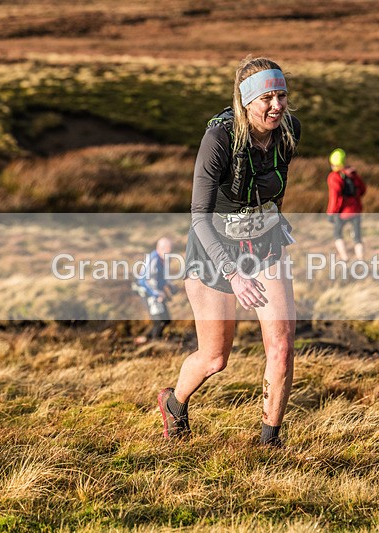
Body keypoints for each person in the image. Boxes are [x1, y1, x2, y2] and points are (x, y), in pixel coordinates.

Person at [157, 57, 300, 447]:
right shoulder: (219, 140)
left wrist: (268, 223)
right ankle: (174, 402)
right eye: (267, 98)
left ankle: (269, 443)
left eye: (282, 96)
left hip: (264, 245)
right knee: (215, 358)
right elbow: (199, 217)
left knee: (282, 346)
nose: (277, 106)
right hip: (213, 249)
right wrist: (233, 273)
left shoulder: (289, 131)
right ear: (246, 101)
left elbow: (275, 186)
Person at [132, 237, 178, 343]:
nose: (170, 254)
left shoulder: (163, 259)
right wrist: (157, 295)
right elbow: (144, 281)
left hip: (157, 293)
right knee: (159, 321)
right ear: (160, 249)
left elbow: (163, 277)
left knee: (166, 320)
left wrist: (171, 287)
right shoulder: (153, 259)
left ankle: (146, 339)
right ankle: (155, 343)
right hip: (149, 294)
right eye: (169, 251)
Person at [326, 148, 366, 261]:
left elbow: (334, 197)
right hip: (356, 210)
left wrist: (331, 213)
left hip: (342, 212)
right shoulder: (353, 174)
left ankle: (344, 258)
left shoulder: (334, 177)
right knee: (357, 237)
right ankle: (360, 260)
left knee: (337, 235)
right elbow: (363, 190)